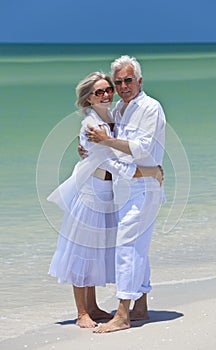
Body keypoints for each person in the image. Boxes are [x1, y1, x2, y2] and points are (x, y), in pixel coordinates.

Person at [47, 71, 163, 329]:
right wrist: (150, 172)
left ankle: (94, 306)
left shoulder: (114, 115)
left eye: (108, 89)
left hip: (108, 192)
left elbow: (120, 149)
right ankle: (81, 312)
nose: (107, 94)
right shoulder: (92, 125)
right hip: (91, 191)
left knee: (97, 249)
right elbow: (111, 162)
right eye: (99, 92)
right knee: (82, 250)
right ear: (88, 99)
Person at [85, 56, 166, 333]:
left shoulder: (151, 108)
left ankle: (122, 314)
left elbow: (142, 150)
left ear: (139, 81)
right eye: (117, 82)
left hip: (144, 190)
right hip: (126, 189)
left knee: (127, 247)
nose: (122, 86)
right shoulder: (119, 108)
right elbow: (110, 148)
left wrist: (106, 142)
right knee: (138, 246)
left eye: (128, 80)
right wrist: (88, 148)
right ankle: (140, 305)